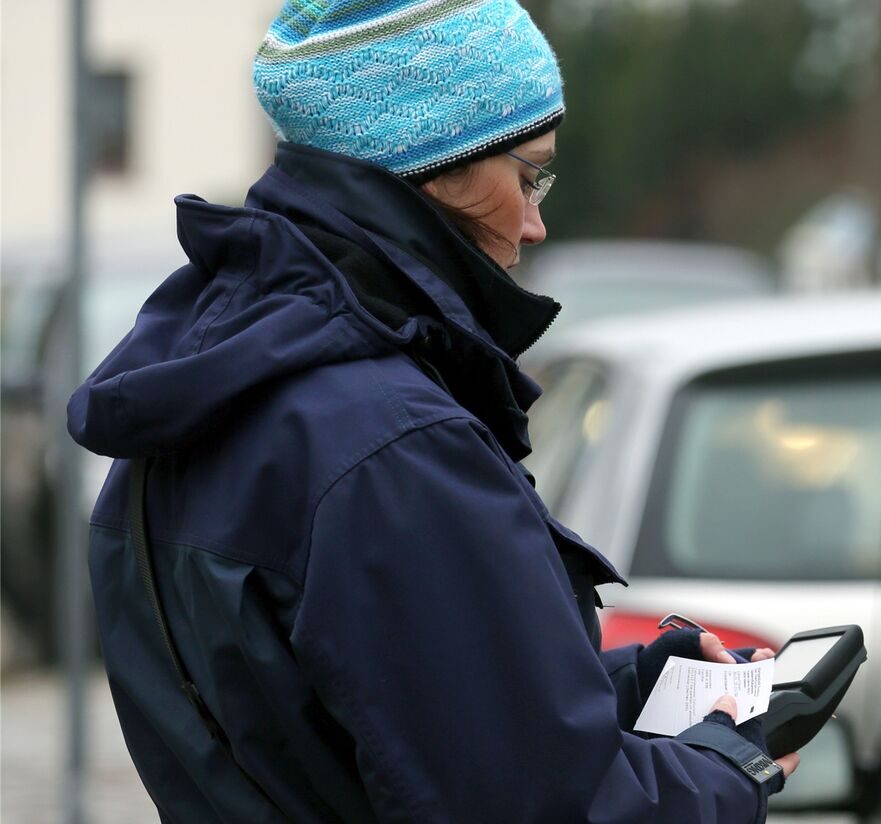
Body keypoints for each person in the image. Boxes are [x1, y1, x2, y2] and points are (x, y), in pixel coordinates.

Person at [66, 1, 797, 820]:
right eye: (527, 175)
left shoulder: (216, 392)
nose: (535, 222)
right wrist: (732, 769)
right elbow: (537, 808)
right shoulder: (391, 449)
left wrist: (625, 689)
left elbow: (351, 720)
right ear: (438, 170)